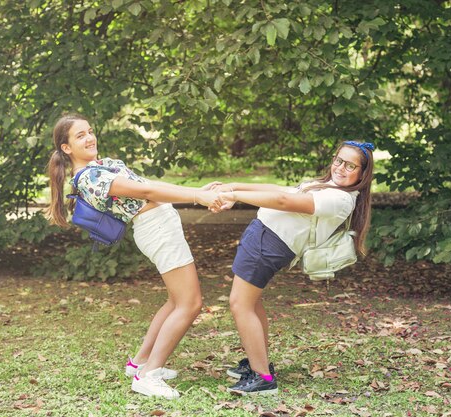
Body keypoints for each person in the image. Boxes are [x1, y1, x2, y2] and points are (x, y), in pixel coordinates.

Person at [46, 114, 219, 400]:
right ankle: (149, 375)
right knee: (191, 304)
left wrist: (196, 192)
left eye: (90, 131)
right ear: (66, 148)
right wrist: (197, 197)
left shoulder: (103, 165)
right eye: (80, 136)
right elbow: (147, 191)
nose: (90, 138)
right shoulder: (91, 177)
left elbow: (148, 184)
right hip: (157, 230)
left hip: (161, 224)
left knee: (177, 301)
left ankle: (139, 362)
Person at [210, 141, 375, 395]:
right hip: (263, 236)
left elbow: (283, 201)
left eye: (350, 165)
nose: (340, 168)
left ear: (362, 174)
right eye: (338, 160)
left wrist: (233, 195)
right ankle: (259, 362)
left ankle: (263, 377)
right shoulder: (326, 185)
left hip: (270, 243)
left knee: (239, 304)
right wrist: (233, 186)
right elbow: (277, 189)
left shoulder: (341, 199)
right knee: (251, 303)